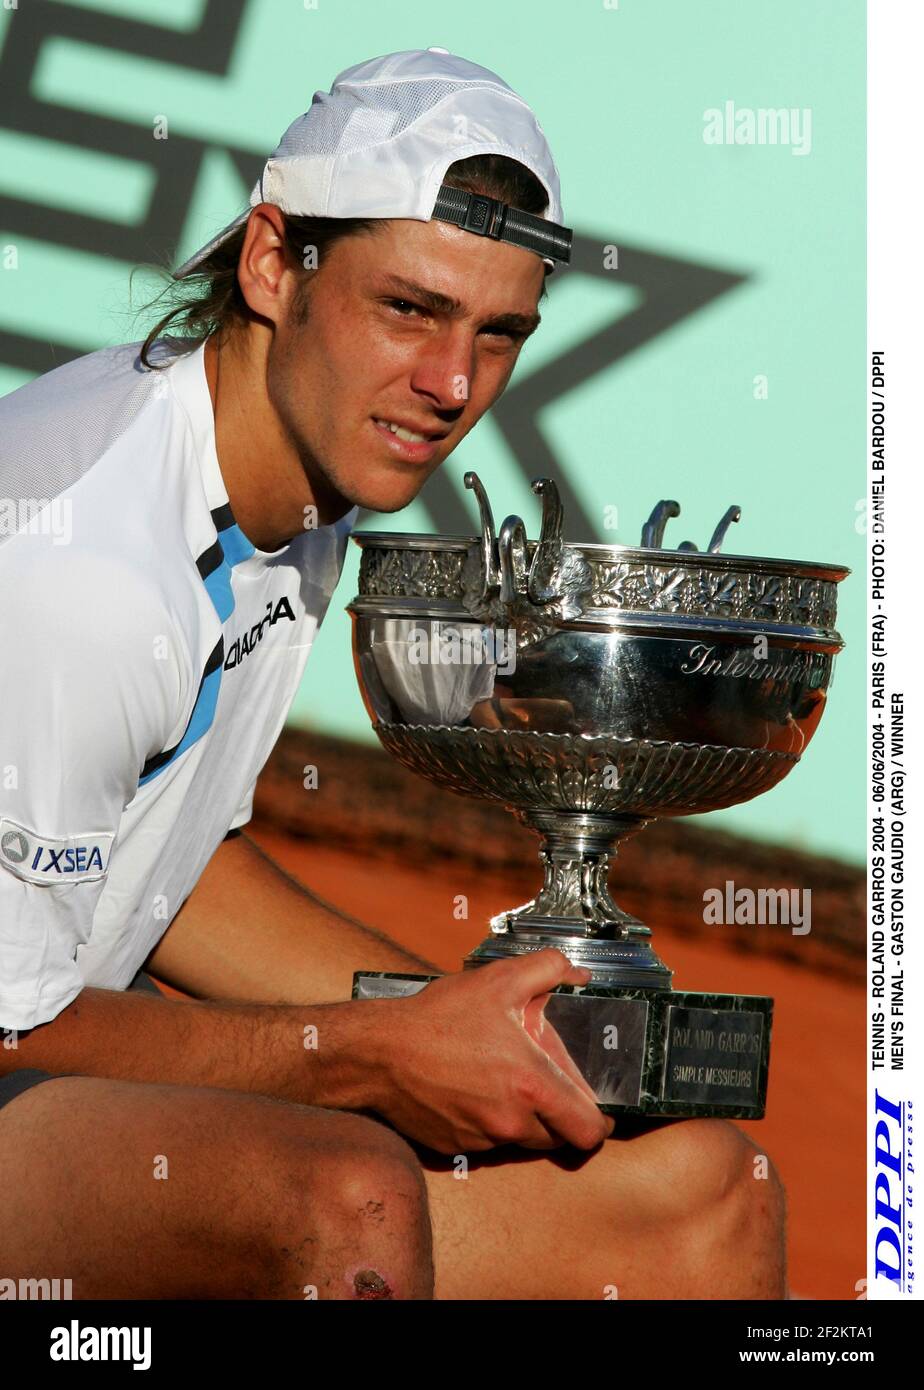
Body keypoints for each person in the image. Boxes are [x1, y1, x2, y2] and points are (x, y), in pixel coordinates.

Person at [0, 47, 785, 1300]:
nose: (453, 386)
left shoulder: (295, 478)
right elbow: (14, 1021)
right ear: (272, 265)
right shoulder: (84, 564)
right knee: (344, 1196)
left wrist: (473, 1031)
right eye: (409, 310)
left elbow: (161, 861)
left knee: (700, 1197)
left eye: (497, 335)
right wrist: (373, 1053)